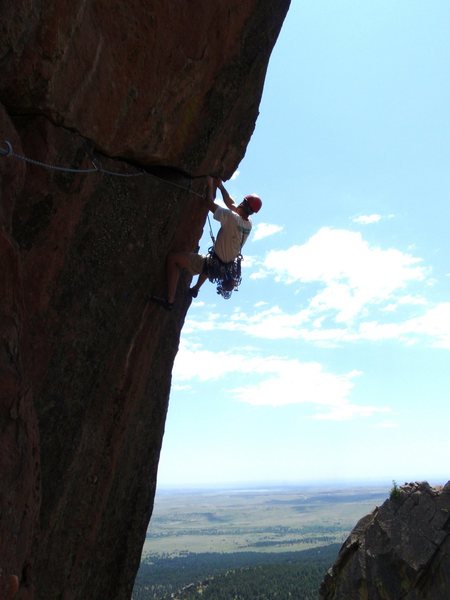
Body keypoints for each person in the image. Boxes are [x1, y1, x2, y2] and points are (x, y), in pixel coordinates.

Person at [151, 176, 262, 309]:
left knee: (173, 259)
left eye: (242, 202)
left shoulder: (231, 218)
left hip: (215, 264)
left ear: (244, 204)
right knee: (210, 261)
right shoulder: (248, 225)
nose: (239, 203)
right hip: (224, 268)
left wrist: (210, 185)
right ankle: (196, 288)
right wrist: (220, 187)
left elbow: (208, 203)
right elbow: (231, 204)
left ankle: (169, 302)